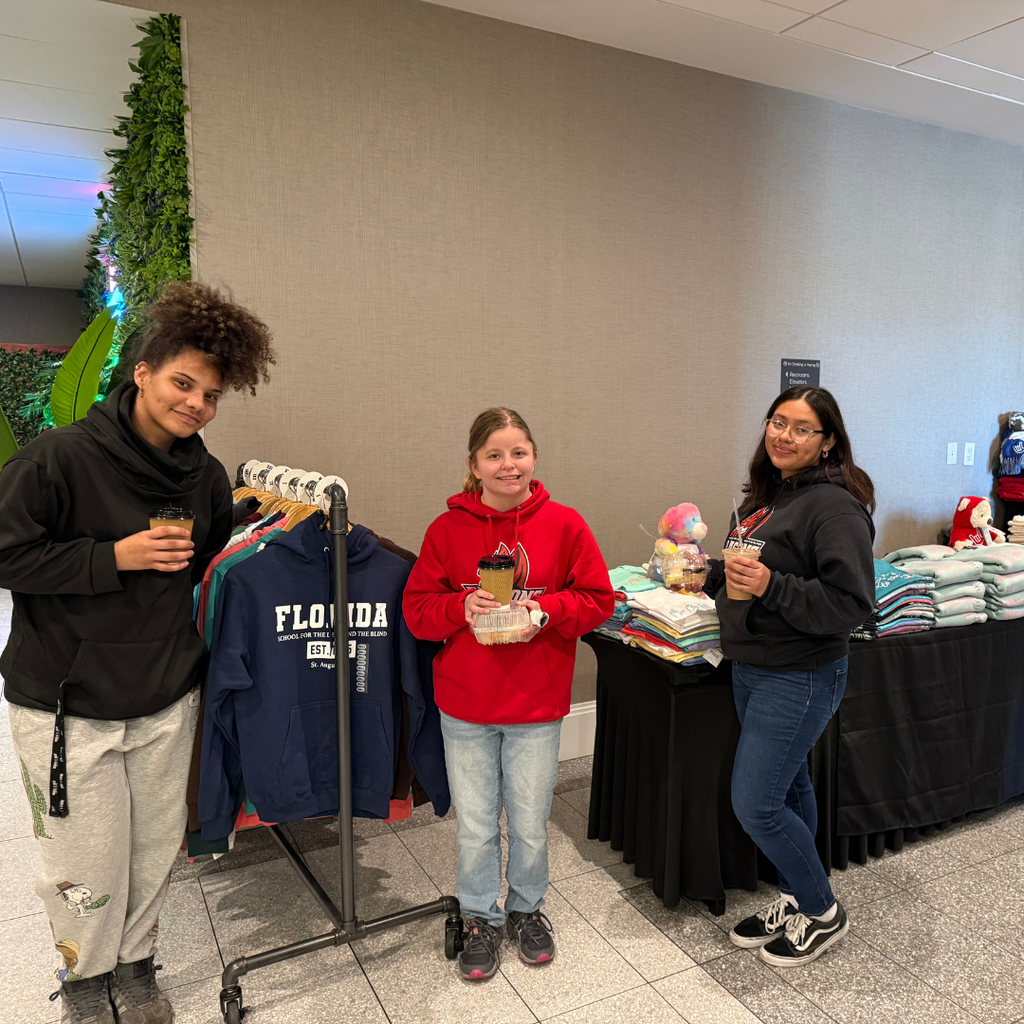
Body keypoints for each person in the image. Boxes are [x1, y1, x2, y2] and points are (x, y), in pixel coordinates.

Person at [0, 281, 274, 1024]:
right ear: (143, 372)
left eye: (211, 395)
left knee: (153, 850)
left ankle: (136, 968)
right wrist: (111, 556)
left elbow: (203, 561)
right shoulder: (58, 460)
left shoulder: (205, 477)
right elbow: (6, 555)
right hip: (66, 703)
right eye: (183, 383)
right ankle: (86, 983)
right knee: (82, 861)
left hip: (163, 694)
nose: (197, 404)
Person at [403, 408, 613, 981]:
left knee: (529, 821)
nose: (508, 465)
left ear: (534, 457)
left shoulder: (565, 525)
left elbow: (598, 599)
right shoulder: (446, 531)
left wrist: (546, 609)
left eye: (518, 452)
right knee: (475, 825)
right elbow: (417, 612)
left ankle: (525, 909)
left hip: (535, 706)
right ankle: (479, 917)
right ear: (474, 465)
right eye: (493, 455)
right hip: (465, 706)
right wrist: (459, 606)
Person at [715, 386, 875, 967]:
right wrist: (703, 571)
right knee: (788, 789)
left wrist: (770, 585)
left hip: (800, 674)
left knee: (756, 804)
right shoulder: (769, 497)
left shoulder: (835, 509)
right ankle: (796, 899)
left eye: (802, 428)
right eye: (777, 422)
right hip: (752, 666)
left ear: (827, 441)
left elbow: (851, 605)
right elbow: (749, 569)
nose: (784, 436)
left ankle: (823, 911)